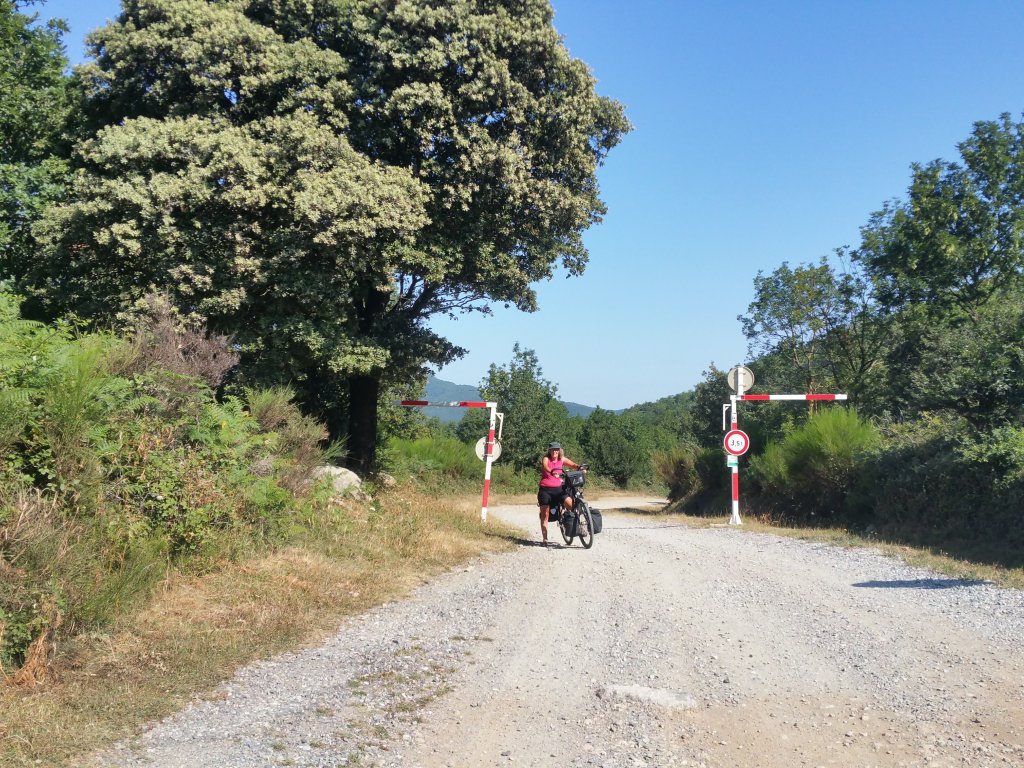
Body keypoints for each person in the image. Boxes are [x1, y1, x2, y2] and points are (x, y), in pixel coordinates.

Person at [537, 442, 583, 546]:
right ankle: (545, 539)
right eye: (553, 449)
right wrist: (552, 471)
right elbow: (545, 466)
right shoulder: (546, 459)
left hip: (559, 489)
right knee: (545, 514)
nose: (555, 451)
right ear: (550, 450)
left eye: (557, 449)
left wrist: (579, 467)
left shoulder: (561, 459)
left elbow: (572, 465)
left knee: (572, 506)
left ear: (559, 450)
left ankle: (576, 524)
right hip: (545, 490)